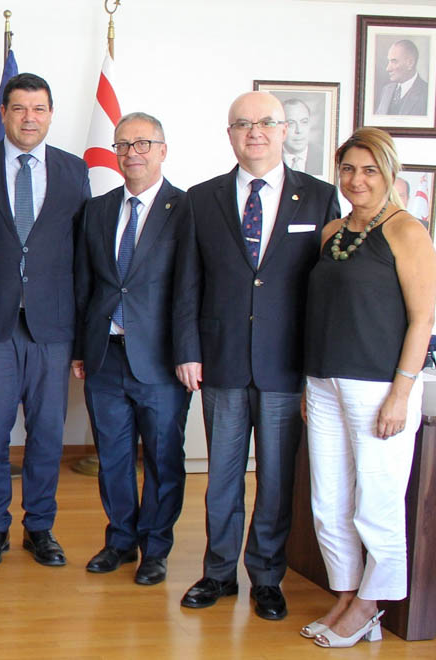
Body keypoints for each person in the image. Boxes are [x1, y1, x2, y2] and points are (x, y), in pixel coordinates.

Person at [175, 91, 341, 621]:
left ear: (284, 130)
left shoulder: (319, 198)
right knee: (221, 479)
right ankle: (219, 573)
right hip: (220, 360)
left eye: (266, 122)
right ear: (229, 134)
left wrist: (318, 364)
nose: (255, 132)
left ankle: (267, 577)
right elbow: (187, 283)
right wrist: (187, 350)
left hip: (286, 365)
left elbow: (327, 289)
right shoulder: (201, 198)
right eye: (243, 124)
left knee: (275, 480)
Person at [300, 127, 436, 648]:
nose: (357, 180)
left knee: (375, 503)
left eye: (369, 170)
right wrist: (310, 383)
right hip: (325, 382)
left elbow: (423, 319)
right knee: (328, 501)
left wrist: (401, 393)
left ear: (389, 173)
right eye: (349, 169)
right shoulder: (332, 232)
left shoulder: (407, 231)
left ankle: (370, 604)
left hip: (380, 387)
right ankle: (346, 595)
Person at [0, 72, 90, 569]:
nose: (29, 118)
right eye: (19, 108)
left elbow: (83, 255)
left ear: (51, 114)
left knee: (48, 433)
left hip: (53, 327)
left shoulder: (75, 170)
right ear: (4, 114)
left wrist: (81, 337)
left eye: (38, 109)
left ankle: (40, 527)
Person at [71, 112, 191, 586]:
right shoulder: (97, 210)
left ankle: (155, 548)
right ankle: (120, 540)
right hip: (105, 354)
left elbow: (191, 289)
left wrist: (189, 353)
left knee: (163, 458)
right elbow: (85, 284)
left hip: (161, 359)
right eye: (122, 144)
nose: (131, 153)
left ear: (163, 150)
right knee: (113, 456)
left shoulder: (187, 209)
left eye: (142, 143)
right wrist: (81, 347)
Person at [375, 39, 429, 116]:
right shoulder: (386, 90)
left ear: (410, 63)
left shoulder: (427, 93)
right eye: (389, 61)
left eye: (394, 61)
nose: (388, 68)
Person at [282, 98, 320, 175]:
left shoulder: (322, 156)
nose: (298, 130)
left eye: (304, 122)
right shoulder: (268, 158)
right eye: (291, 123)